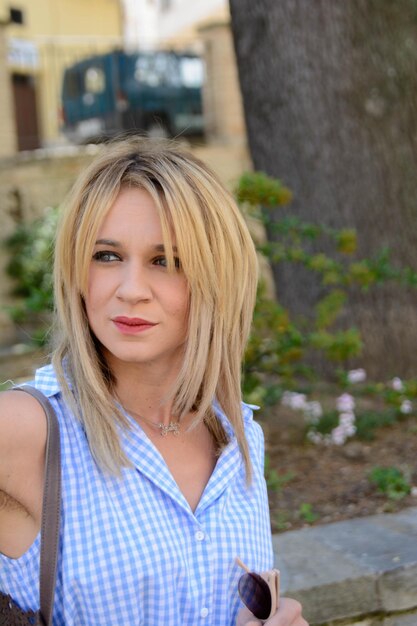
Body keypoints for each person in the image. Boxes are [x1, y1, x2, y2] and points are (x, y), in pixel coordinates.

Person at [0, 138, 308, 626]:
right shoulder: (27, 430)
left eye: (166, 261)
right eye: (106, 256)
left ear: (215, 279)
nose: (131, 290)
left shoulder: (241, 439)